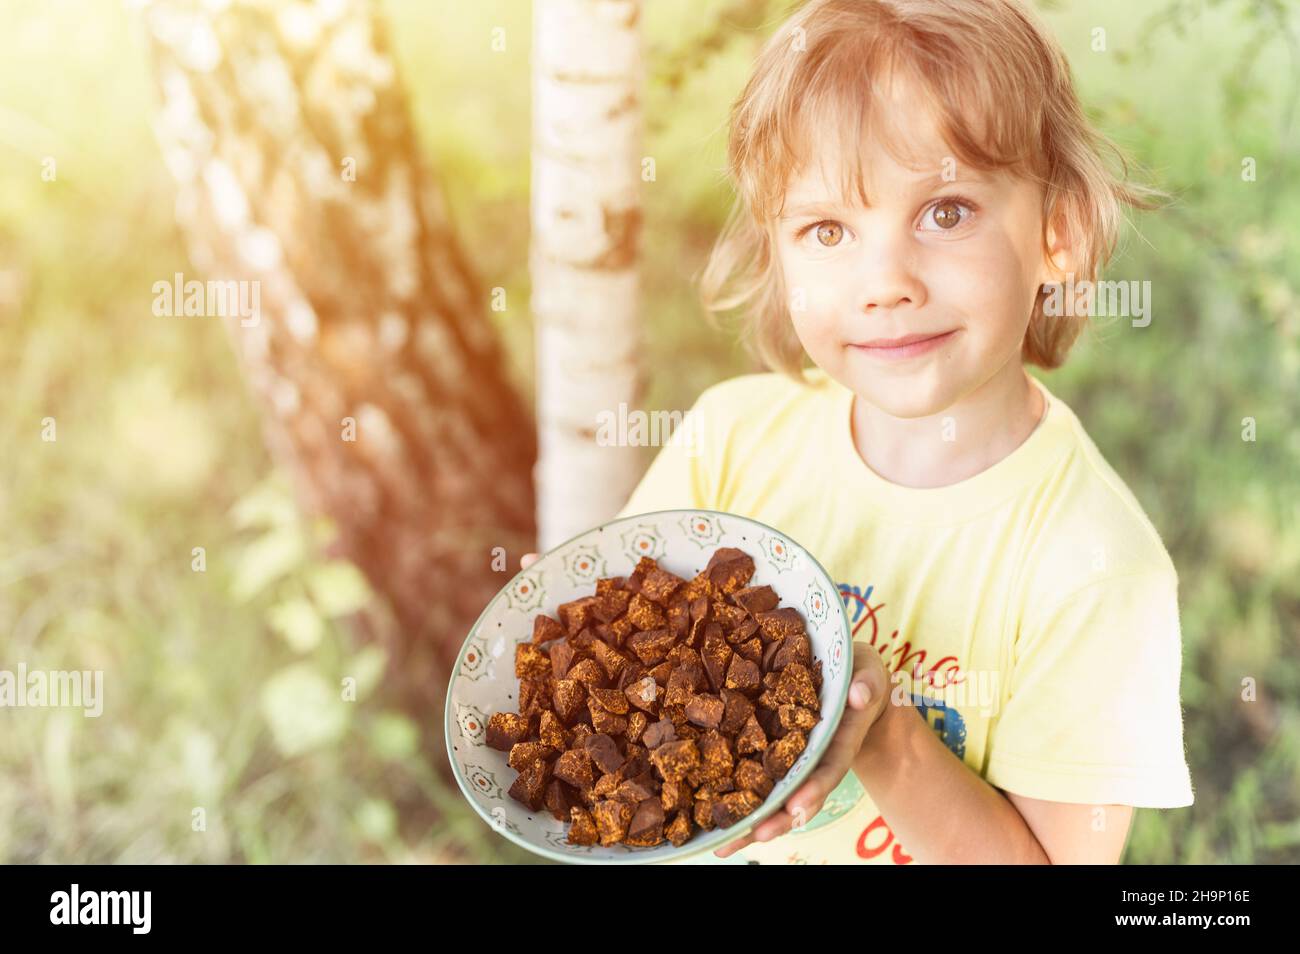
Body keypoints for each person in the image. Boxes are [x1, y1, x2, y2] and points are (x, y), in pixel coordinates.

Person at [526, 0, 1193, 864]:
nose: (885, 282)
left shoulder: (1096, 567)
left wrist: (883, 736)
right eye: (828, 229)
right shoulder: (731, 440)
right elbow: (609, 680)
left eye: (945, 212)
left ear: (1057, 232)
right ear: (778, 252)